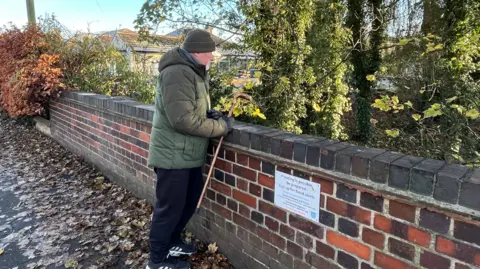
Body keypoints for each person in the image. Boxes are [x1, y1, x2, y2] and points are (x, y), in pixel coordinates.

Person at [146, 29, 232, 269]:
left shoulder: (193, 71)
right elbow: (182, 119)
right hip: (173, 156)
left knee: (188, 202)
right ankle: (157, 260)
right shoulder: (177, 73)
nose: (212, 57)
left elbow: (192, 110)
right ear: (196, 52)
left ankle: (172, 242)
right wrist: (220, 127)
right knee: (169, 209)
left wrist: (210, 115)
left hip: (188, 154)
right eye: (209, 53)